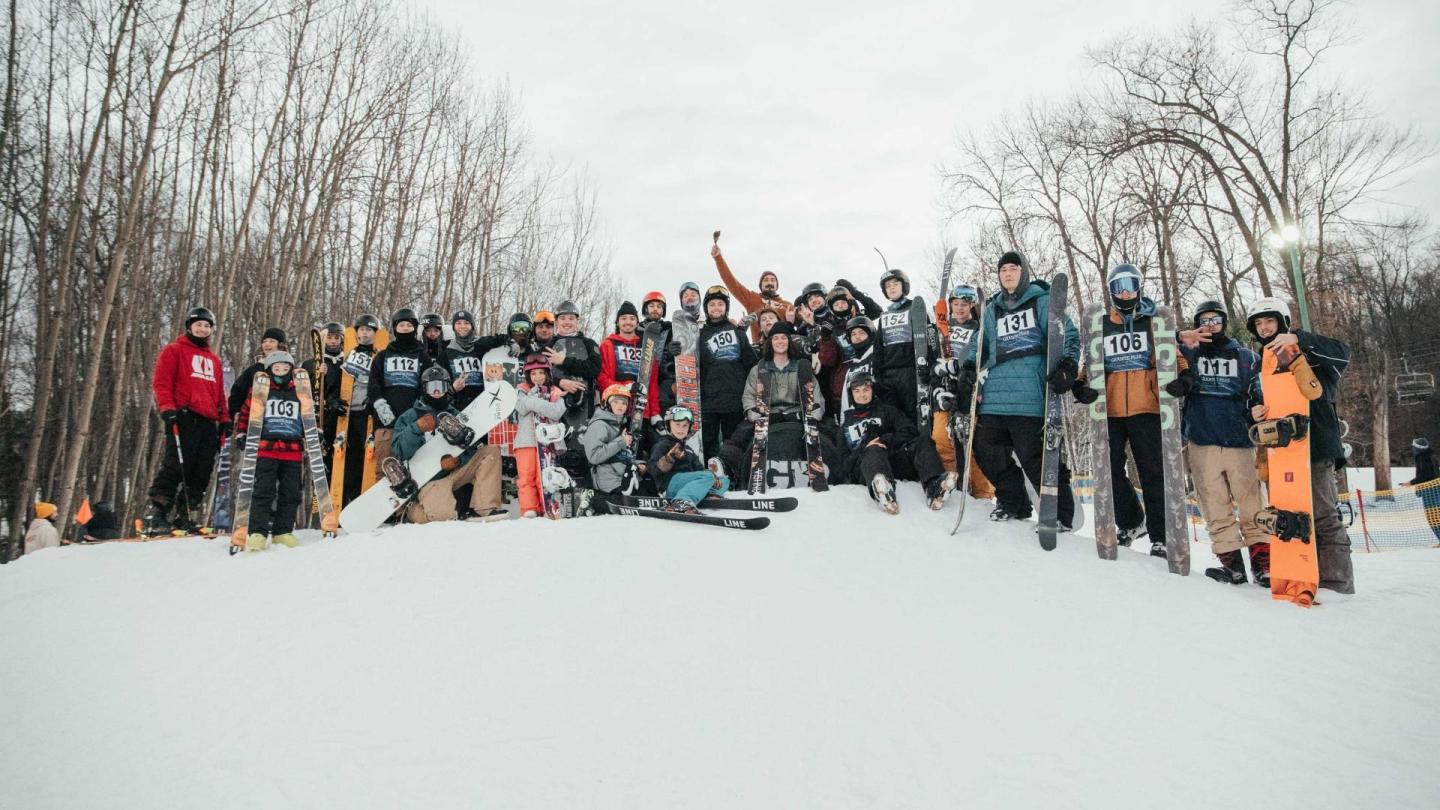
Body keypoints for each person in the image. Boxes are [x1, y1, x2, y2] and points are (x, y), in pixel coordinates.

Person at [1074, 264, 1194, 558]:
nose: (1125, 291)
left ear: (1139, 288)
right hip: (1110, 410)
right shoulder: (1103, 325)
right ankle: (1131, 520)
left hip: (1147, 407)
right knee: (1108, 470)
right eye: (1118, 286)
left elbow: (1174, 356)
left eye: (1130, 285)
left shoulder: (1153, 322)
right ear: (1112, 291)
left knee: (1153, 472)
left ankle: (1161, 536)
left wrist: (1185, 377)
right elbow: (1089, 362)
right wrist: (1080, 385)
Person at [1246, 297, 1355, 594]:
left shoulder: (1309, 349)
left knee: (1323, 516)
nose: (1265, 328)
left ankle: (1336, 584)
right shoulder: (1261, 364)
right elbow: (1254, 403)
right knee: (1289, 518)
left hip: (1316, 446)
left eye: (1270, 321)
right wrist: (1253, 413)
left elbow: (1344, 354)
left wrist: (1299, 340)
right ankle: (1299, 576)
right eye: (1259, 323)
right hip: (1282, 454)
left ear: (1282, 322)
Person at [964, 251, 1079, 529]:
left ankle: (1060, 514)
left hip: (1030, 394)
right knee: (985, 448)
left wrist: (1068, 365)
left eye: (1012, 269)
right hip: (995, 396)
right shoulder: (992, 309)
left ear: (1023, 272)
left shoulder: (1041, 301)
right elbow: (978, 344)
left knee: (1034, 457)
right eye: (1002, 270)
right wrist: (968, 365)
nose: (1007, 274)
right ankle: (1014, 502)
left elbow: (1069, 335)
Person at [1176, 301, 1270, 585]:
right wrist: (1180, 338)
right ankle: (1232, 565)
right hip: (1201, 440)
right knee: (1214, 506)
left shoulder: (1245, 357)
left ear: (1224, 322)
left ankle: (1263, 564)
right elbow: (1156, 352)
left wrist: (1257, 410)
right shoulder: (1188, 353)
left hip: (1239, 441)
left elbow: (1259, 393)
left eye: (1215, 320)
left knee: (1253, 503)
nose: (1210, 325)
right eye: (1204, 320)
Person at [146, 306, 229, 533]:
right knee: (176, 464)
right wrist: (167, 408)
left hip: (208, 421)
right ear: (189, 326)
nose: (202, 329)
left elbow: (219, 393)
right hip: (184, 416)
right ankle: (158, 513)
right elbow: (162, 382)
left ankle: (185, 514)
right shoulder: (174, 350)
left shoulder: (214, 360)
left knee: (201, 471)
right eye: (198, 324)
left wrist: (224, 419)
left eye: (206, 326)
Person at [717, 321, 830, 484]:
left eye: (784, 338)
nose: (780, 342)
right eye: (775, 338)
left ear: (789, 341)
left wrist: (815, 414)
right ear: (770, 342)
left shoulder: (801, 366)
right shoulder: (759, 368)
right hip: (768, 413)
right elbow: (749, 394)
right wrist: (751, 411)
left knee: (831, 429)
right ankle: (725, 466)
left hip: (797, 412)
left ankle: (838, 469)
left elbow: (816, 394)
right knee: (741, 434)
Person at [391, 365, 505, 523]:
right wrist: (416, 428)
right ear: (424, 389)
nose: (437, 391)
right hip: (430, 479)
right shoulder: (410, 416)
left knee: (489, 452)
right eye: (432, 387)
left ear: (447, 388)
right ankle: (411, 510)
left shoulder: (455, 414)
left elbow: (470, 445)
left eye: (441, 386)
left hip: (455, 471)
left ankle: (485, 508)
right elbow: (400, 451)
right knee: (441, 517)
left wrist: (459, 460)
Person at [836, 373, 956, 514]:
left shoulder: (887, 411)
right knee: (873, 450)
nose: (862, 395)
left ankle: (934, 486)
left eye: (866, 389)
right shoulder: (845, 426)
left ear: (873, 390)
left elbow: (910, 431)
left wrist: (884, 440)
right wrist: (865, 447)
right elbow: (843, 464)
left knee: (923, 440)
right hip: (865, 468)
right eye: (857, 391)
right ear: (851, 394)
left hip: (893, 460)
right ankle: (883, 491)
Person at [234, 351, 305, 551]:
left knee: (291, 492)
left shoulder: (300, 392)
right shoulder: (261, 391)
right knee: (263, 491)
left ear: (291, 371)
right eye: (277, 368)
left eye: (285, 368)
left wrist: (314, 432)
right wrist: (241, 434)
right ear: (269, 370)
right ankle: (258, 531)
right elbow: (246, 412)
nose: (281, 372)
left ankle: (282, 531)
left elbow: (309, 416)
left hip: (292, 450)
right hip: (266, 448)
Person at [930, 284, 996, 500]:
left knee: (971, 442)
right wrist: (936, 370)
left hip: (969, 390)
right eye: (956, 304)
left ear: (971, 306)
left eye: (964, 304)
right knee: (940, 438)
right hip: (944, 390)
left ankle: (983, 492)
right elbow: (929, 359)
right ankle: (954, 483)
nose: (959, 308)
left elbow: (984, 358)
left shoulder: (979, 329)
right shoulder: (942, 328)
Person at [697, 285, 758, 459]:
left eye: (720, 304)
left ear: (726, 308)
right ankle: (711, 476)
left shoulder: (738, 333)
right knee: (709, 444)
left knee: (734, 443)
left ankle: (735, 476)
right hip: (709, 402)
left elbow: (750, 362)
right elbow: (695, 364)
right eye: (712, 304)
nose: (716, 308)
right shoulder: (700, 334)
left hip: (734, 400)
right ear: (707, 309)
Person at [873, 267, 938, 423]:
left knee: (913, 415)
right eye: (888, 286)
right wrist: (877, 375)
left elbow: (928, 341)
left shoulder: (915, 308)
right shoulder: (885, 316)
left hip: (911, 372)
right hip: (889, 375)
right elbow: (878, 348)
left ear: (904, 286)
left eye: (895, 284)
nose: (892, 288)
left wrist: (931, 365)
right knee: (894, 417)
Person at [368, 308, 426, 470]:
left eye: (409, 325)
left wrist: (419, 407)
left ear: (415, 328)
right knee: (386, 471)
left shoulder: (422, 356)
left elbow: (427, 384)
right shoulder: (383, 356)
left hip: (413, 422)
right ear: (395, 328)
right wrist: (380, 404)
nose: (406, 328)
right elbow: (373, 383)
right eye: (402, 325)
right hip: (387, 422)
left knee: (416, 471)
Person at [335, 313, 383, 506]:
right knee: (347, 458)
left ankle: (363, 499)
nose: (364, 333)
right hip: (347, 413)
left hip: (366, 413)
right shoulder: (347, 354)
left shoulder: (379, 355)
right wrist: (333, 400)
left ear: (374, 333)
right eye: (361, 329)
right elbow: (334, 382)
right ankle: (345, 499)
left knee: (367, 457)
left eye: (368, 330)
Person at [514, 354, 568, 518]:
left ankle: (548, 507)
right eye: (533, 374)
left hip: (548, 442)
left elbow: (557, 412)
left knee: (545, 475)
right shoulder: (521, 390)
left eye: (541, 373)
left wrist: (534, 402)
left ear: (548, 374)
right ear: (528, 376)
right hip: (526, 441)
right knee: (526, 476)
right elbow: (522, 408)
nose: (538, 377)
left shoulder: (554, 392)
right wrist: (539, 401)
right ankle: (529, 508)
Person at [649, 405, 729, 514]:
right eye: (677, 425)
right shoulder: (663, 444)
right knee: (709, 476)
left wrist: (713, 477)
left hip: (688, 484)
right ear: (668, 425)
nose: (681, 429)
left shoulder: (688, 449)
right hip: (669, 485)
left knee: (723, 479)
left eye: (685, 426)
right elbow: (652, 469)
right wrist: (668, 459)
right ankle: (682, 501)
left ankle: (708, 495)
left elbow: (700, 470)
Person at [711, 240, 792, 341]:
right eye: (766, 280)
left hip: (782, 349)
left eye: (773, 280)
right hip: (760, 351)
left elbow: (804, 320)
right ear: (760, 285)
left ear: (777, 285)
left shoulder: (787, 306)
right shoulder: (753, 299)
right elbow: (731, 282)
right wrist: (718, 259)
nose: (769, 282)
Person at [584, 383, 642, 507]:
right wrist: (621, 441)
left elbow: (621, 454)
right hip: (607, 481)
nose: (621, 406)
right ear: (606, 403)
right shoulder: (599, 425)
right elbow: (594, 456)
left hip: (620, 477)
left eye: (624, 403)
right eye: (616, 402)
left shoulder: (618, 424)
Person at [301, 321, 345, 474]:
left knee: (340, 457)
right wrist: (316, 375)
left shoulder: (346, 362)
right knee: (322, 456)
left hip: (341, 414)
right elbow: (303, 390)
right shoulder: (310, 363)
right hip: (321, 415)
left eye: (336, 338)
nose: (333, 341)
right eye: (329, 338)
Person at [228, 326, 288, 420]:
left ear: (280, 345)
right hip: (256, 420)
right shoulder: (255, 369)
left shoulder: (289, 370)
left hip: (282, 419)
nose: (267, 344)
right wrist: (236, 412)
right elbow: (237, 391)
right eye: (264, 341)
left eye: (272, 341)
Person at [1408, 437, 1440, 545]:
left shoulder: (1422, 457)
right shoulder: (1431, 455)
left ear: (1418, 448)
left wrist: (1411, 482)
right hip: (1435, 489)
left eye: (1414, 446)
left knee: (1433, 517)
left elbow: (1425, 475)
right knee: (1435, 516)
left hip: (1430, 491)